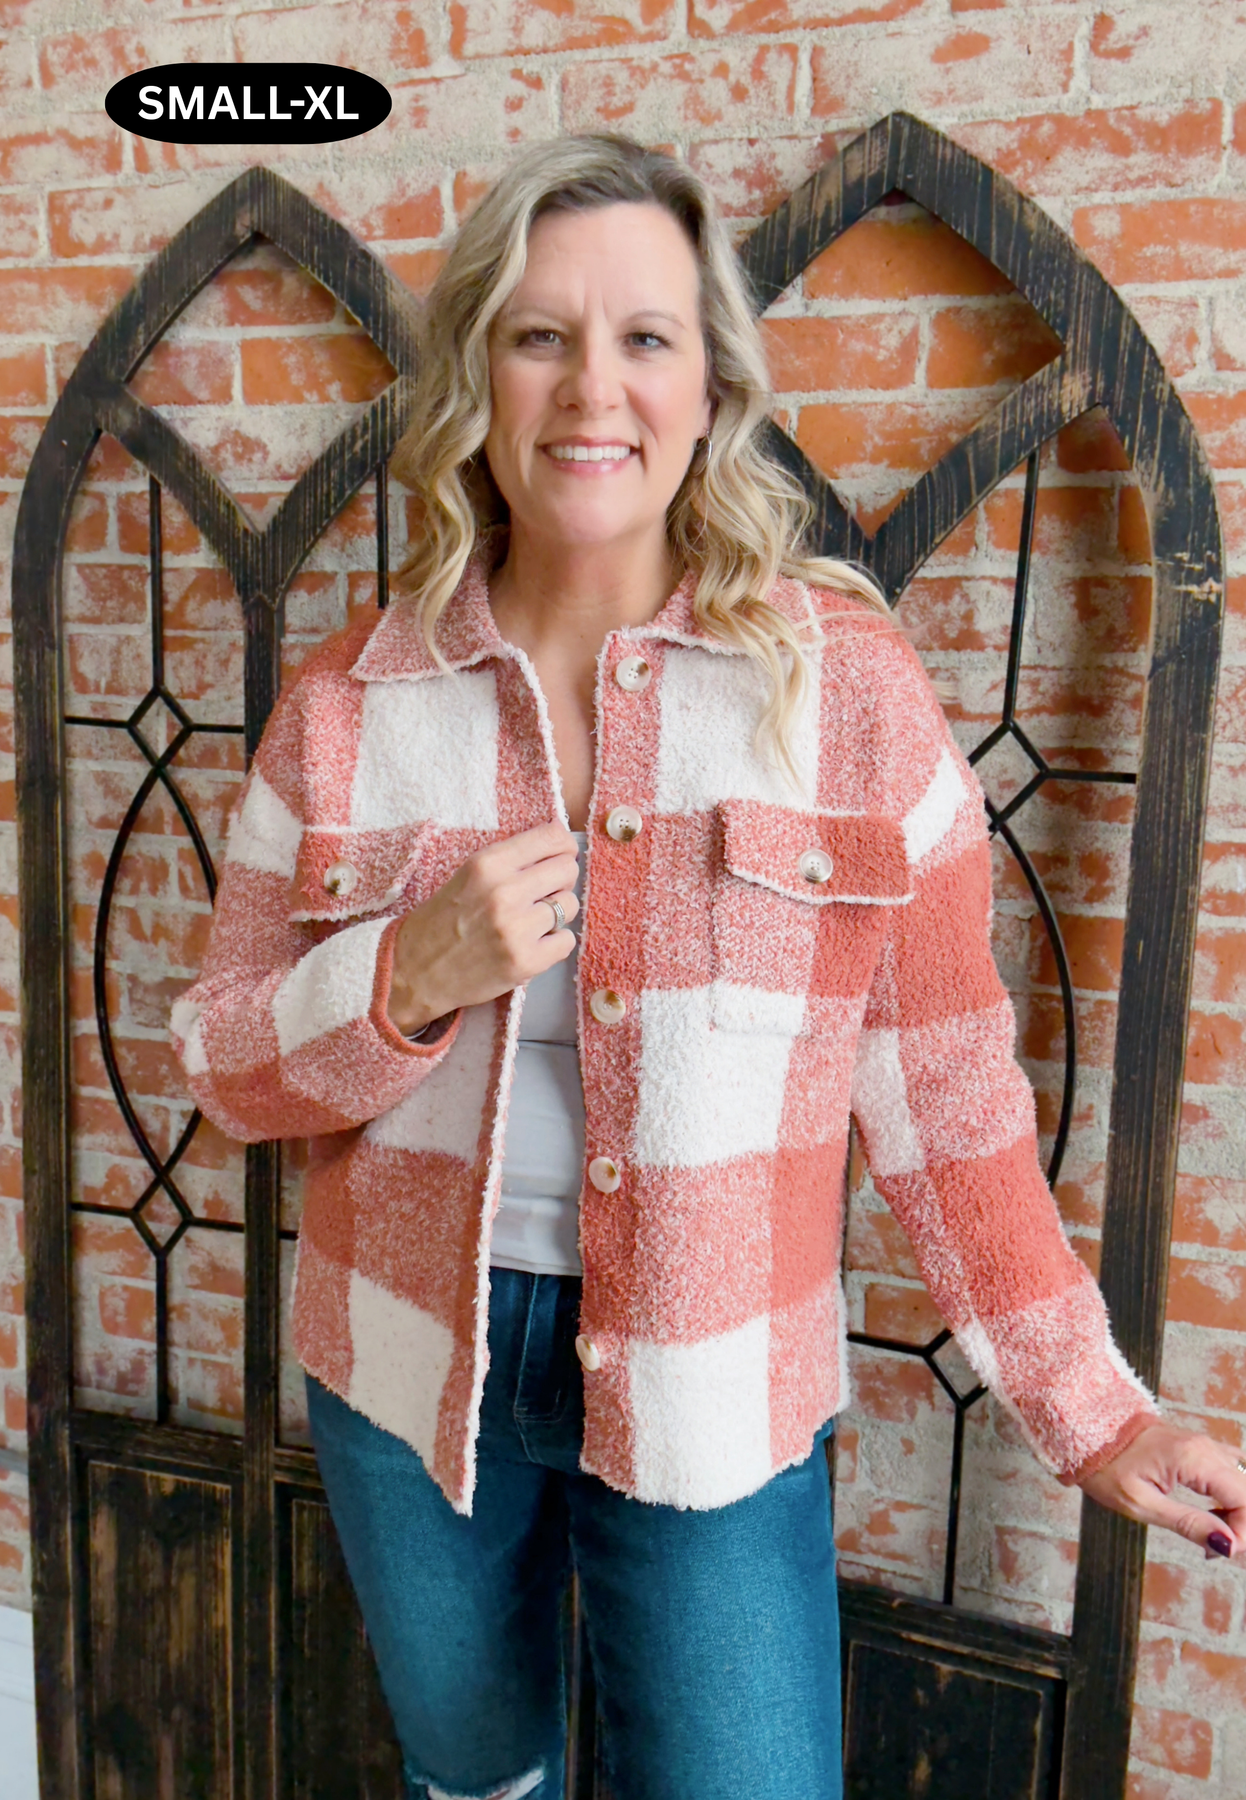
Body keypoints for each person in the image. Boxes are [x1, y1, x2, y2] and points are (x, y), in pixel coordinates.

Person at [170, 132, 1245, 1800]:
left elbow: (946, 1097)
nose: (591, 387)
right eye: (539, 334)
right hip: (401, 1369)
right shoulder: (346, 709)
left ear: (708, 382)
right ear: (475, 375)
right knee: (476, 1775)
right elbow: (225, 1065)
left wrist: (1095, 1413)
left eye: (644, 336)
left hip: (718, 1378)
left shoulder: (844, 691)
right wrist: (405, 974)